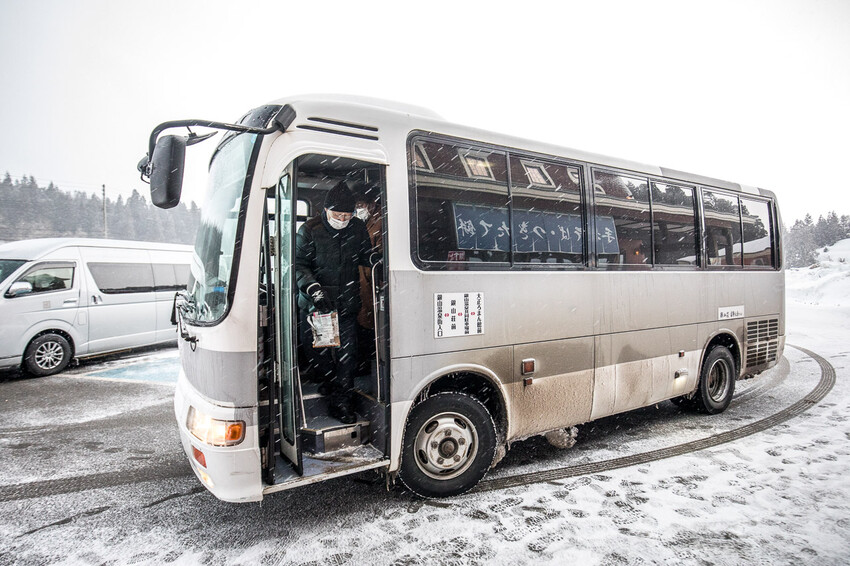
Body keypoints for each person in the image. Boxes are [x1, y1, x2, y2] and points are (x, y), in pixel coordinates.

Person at [295, 181, 374, 424]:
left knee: (346, 356)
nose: (342, 219)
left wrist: (377, 258)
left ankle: (342, 402)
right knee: (318, 353)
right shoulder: (309, 229)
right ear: (326, 210)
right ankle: (328, 382)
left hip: (347, 304)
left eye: (347, 215)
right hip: (317, 305)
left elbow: (365, 255)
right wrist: (313, 289)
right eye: (338, 214)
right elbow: (299, 265)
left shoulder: (357, 228)